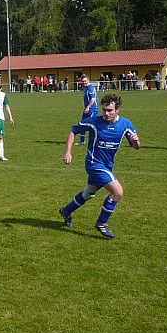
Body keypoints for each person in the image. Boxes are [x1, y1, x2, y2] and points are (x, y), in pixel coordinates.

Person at [59, 94, 140, 239]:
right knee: (118, 192)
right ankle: (102, 223)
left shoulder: (126, 124)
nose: (106, 113)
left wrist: (135, 141)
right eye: (104, 110)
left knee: (88, 193)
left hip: (107, 166)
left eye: (110, 110)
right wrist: (68, 152)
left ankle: (66, 210)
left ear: (117, 110)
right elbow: (73, 130)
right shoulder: (95, 122)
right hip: (94, 164)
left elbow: (136, 147)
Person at [76, 75, 98, 145]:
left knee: (91, 125)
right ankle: (82, 141)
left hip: (92, 109)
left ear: (88, 80)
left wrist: (88, 107)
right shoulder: (86, 88)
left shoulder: (90, 88)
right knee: (82, 123)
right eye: (83, 81)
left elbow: (93, 99)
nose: (84, 82)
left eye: (85, 81)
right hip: (87, 109)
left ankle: (95, 140)